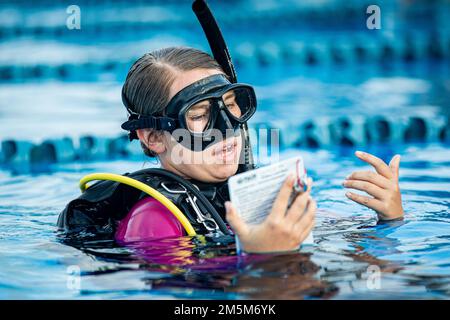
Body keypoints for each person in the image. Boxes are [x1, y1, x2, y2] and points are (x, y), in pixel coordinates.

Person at [57, 47, 404, 254]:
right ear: (153, 138)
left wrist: (389, 218)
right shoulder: (153, 221)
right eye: (198, 116)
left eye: (230, 107)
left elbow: (332, 232)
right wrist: (265, 260)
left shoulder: (250, 190)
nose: (227, 130)